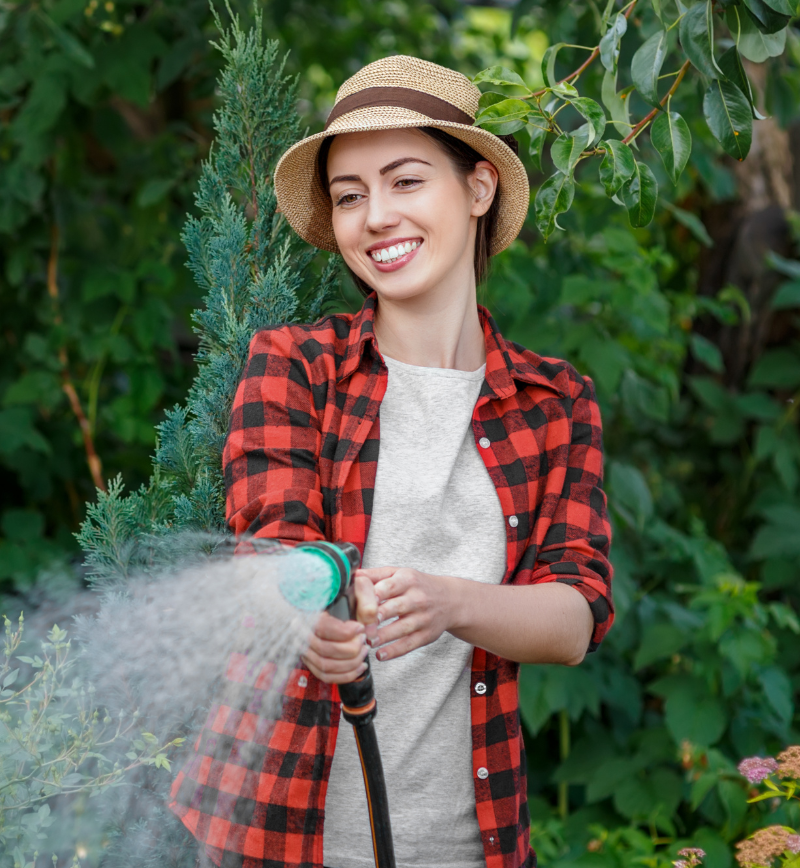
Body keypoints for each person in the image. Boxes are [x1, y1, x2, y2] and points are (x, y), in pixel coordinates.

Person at [168, 55, 615, 868]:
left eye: (406, 181)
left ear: (478, 189)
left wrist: (450, 603)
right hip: (276, 833)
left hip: (465, 844)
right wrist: (309, 615)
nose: (376, 216)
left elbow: (575, 615)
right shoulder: (296, 365)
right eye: (349, 196)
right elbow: (272, 547)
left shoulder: (556, 403)